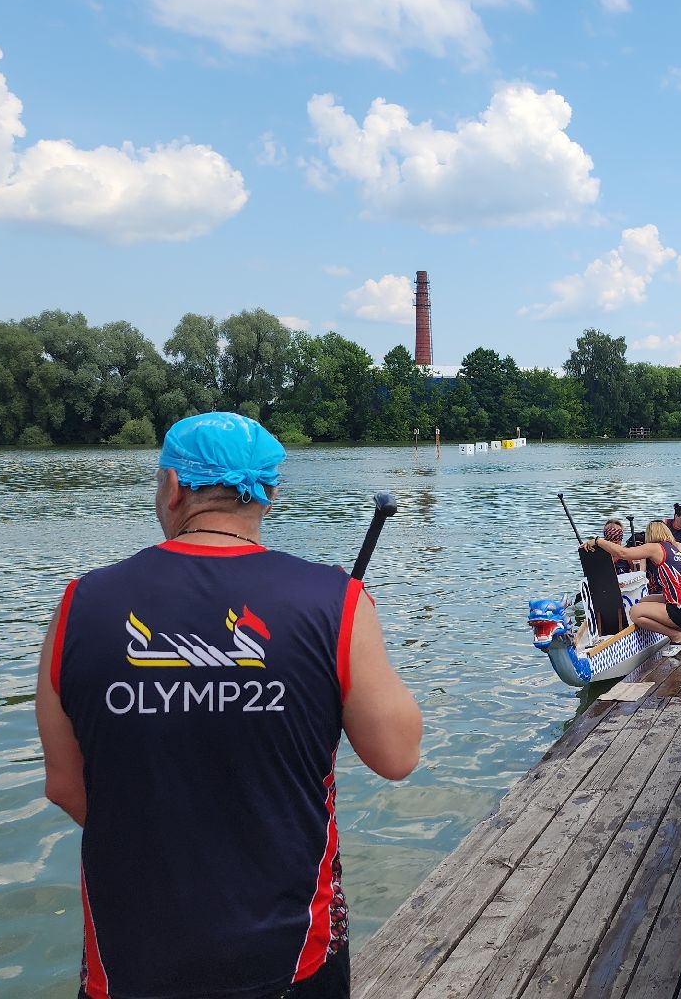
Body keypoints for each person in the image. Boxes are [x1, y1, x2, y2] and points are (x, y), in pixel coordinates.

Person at [36, 412, 423, 999]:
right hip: (292, 954)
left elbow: (66, 786)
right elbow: (398, 755)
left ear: (171, 487)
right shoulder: (335, 602)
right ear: (268, 493)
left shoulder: (80, 604)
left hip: (128, 958)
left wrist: (176, 826)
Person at [586, 521, 681, 642]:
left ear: (650, 534)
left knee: (635, 612)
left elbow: (623, 553)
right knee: (643, 601)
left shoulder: (655, 547)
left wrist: (597, 541)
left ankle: (675, 635)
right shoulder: (675, 550)